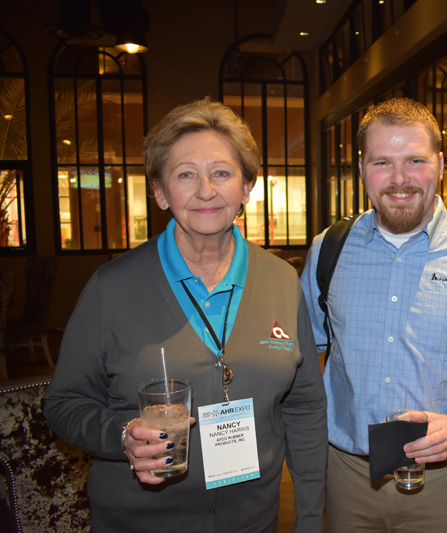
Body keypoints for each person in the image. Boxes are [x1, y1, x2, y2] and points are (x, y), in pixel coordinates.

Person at [44, 97, 327, 533]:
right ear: (160, 192)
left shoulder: (282, 281)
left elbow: (304, 407)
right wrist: (120, 434)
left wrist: (309, 519)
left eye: (222, 173)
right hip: (138, 524)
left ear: (246, 188)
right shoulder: (110, 288)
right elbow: (64, 403)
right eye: (185, 175)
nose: (205, 190)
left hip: (252, 522)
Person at [300, 98, 447, 532]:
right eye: (382, 162)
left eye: (415, 160)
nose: (399, 179)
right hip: (348, 480)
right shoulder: (327, 251)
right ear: (362, 167)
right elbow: (297, 358)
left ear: (440, 164)